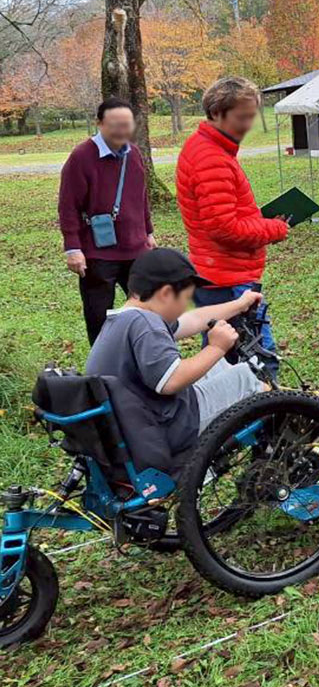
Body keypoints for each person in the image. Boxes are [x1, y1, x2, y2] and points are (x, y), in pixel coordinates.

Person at [84, 248, 264, 473]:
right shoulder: (146, 324)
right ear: (166, 293)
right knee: (248, 378)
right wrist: (217, 347)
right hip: (166, 428)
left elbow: (194, 319)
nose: (185, 307)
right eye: (186, 299)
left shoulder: (125, 319)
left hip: (134, 425)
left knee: (220, 367)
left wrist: (240, 304)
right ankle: (272, 466)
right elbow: (171, 381)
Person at [175, 77, 289, 379]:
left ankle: (228, 420)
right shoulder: (210, 157)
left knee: (225, 361)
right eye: (242, 117)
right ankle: (266, 423)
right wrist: (273, 229)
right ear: (216, 113)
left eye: (253, 116)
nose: (249, 125)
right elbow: (223, 227)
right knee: (255, 362)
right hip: (226, 278)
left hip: (221, 272)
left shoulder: (214, 150)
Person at [59, 98, 155, 344]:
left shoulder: (133, 154)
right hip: (97, 254)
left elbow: (140, 196)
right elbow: (68, 206)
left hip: (136, 250)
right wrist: (73, 248)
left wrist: (148, 231)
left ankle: (143, 364)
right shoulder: (81, 156)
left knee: (147, 312)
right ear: (99, 123)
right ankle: (104, 374)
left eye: (127, 125)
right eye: (115, 125)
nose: (122, 131)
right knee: (98, 318)